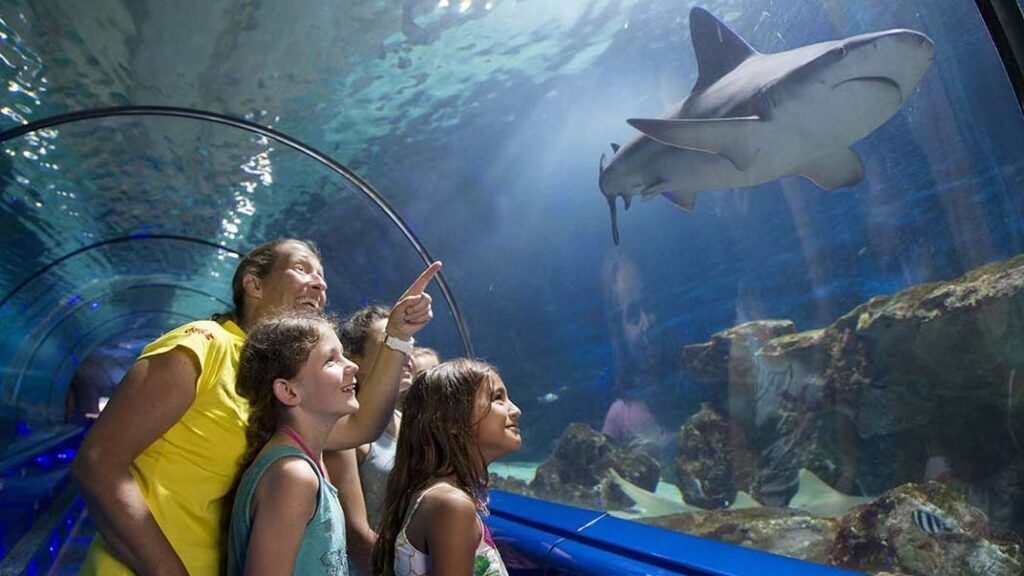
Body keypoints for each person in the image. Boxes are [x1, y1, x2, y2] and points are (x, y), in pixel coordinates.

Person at [73, 237, 441, 576]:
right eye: (302, 268)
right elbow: (99, 462)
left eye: (322, 276)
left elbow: (361, 426)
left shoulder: (278, 384)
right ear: (254, 284)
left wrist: (397, 335)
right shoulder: (202, 346)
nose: (320, 284)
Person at [228, 313, 364, 575]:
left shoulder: (308, 463)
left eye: (344, 354)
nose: (352, 366)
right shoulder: (294, 476)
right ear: (289, 391)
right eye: (331, 360)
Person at [372, 358, 521, 576]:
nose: (515, 410)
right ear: (451, 421)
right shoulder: (451, 504)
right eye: (497, 398)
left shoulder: (432, 496)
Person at [324, 305, 412, 575]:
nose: (405, 354)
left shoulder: (410, 422)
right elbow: (356, 534)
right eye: (390, 343)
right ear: (353, 361)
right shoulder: (344, 431)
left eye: (408, 343)